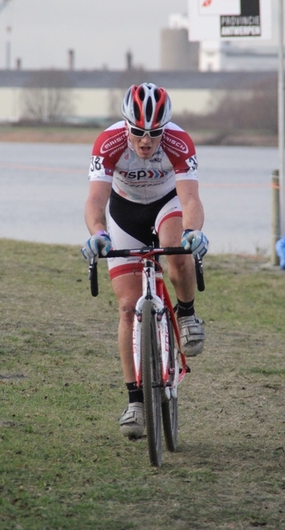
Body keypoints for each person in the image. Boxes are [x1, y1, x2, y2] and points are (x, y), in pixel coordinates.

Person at [82, 82, 208, 439]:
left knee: (176, 250)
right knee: (126, 307)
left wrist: (193, 231)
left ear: (165, 128)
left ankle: (185, 313)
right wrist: (97, 234)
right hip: (125, 214)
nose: (145, 141)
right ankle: (135, 400)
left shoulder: (179, 142)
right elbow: (95, 200)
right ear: (126, 126)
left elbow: (191, 198)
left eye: (154, 133)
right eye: (138, 132)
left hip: (167, 204)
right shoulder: (107, 143)